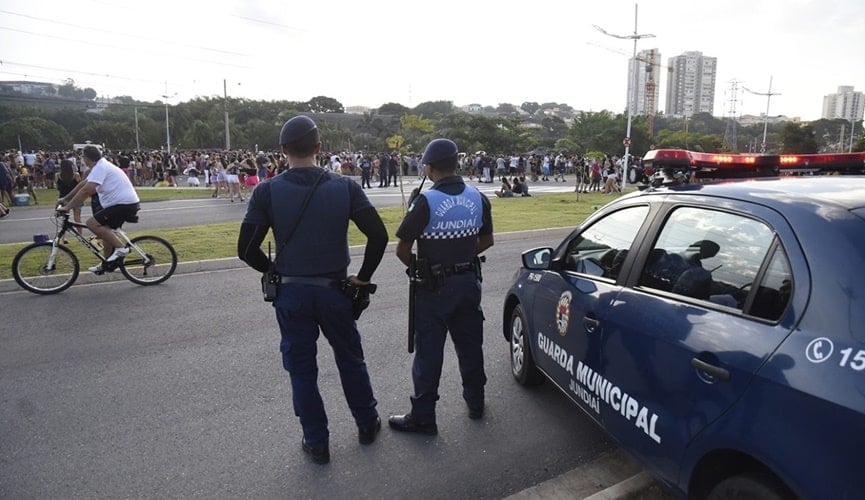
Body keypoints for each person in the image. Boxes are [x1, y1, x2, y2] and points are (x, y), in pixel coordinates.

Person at [237, 115, 388, 465]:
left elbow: (246, 249)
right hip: (335, 289)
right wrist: (362, 278)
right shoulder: (345, 186)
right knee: (350, 359)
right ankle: (367, 422)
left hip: (292, 293)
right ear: (319, 148)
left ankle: (316, 440)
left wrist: (272, 270)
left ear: (283, 151)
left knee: (302, 369)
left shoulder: (267, 190)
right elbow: (378, 236)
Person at [389, 138, 494, 435]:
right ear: (457, 164)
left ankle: (423, 416)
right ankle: (476, 401)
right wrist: (461, 257)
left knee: (429, 354)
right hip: (468, 282)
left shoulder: (425, 201)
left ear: (429, 167)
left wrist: (418, 269)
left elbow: (402, 249)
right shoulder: (477, 197)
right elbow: (487, 240)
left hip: (433, 289)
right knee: (471, 346)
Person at [57, 145, 140, 274]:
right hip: (121, 203)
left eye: (82, 157)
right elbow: (83, 184)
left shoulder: (101, 167)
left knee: (91, 223)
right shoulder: (99, 166)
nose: (82, 160)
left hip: (123, 204)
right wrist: (66, 199)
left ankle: (121, 248)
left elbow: (86, 191)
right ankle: (107, 263)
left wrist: (68, 207)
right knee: (105, 231)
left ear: (87, 158)